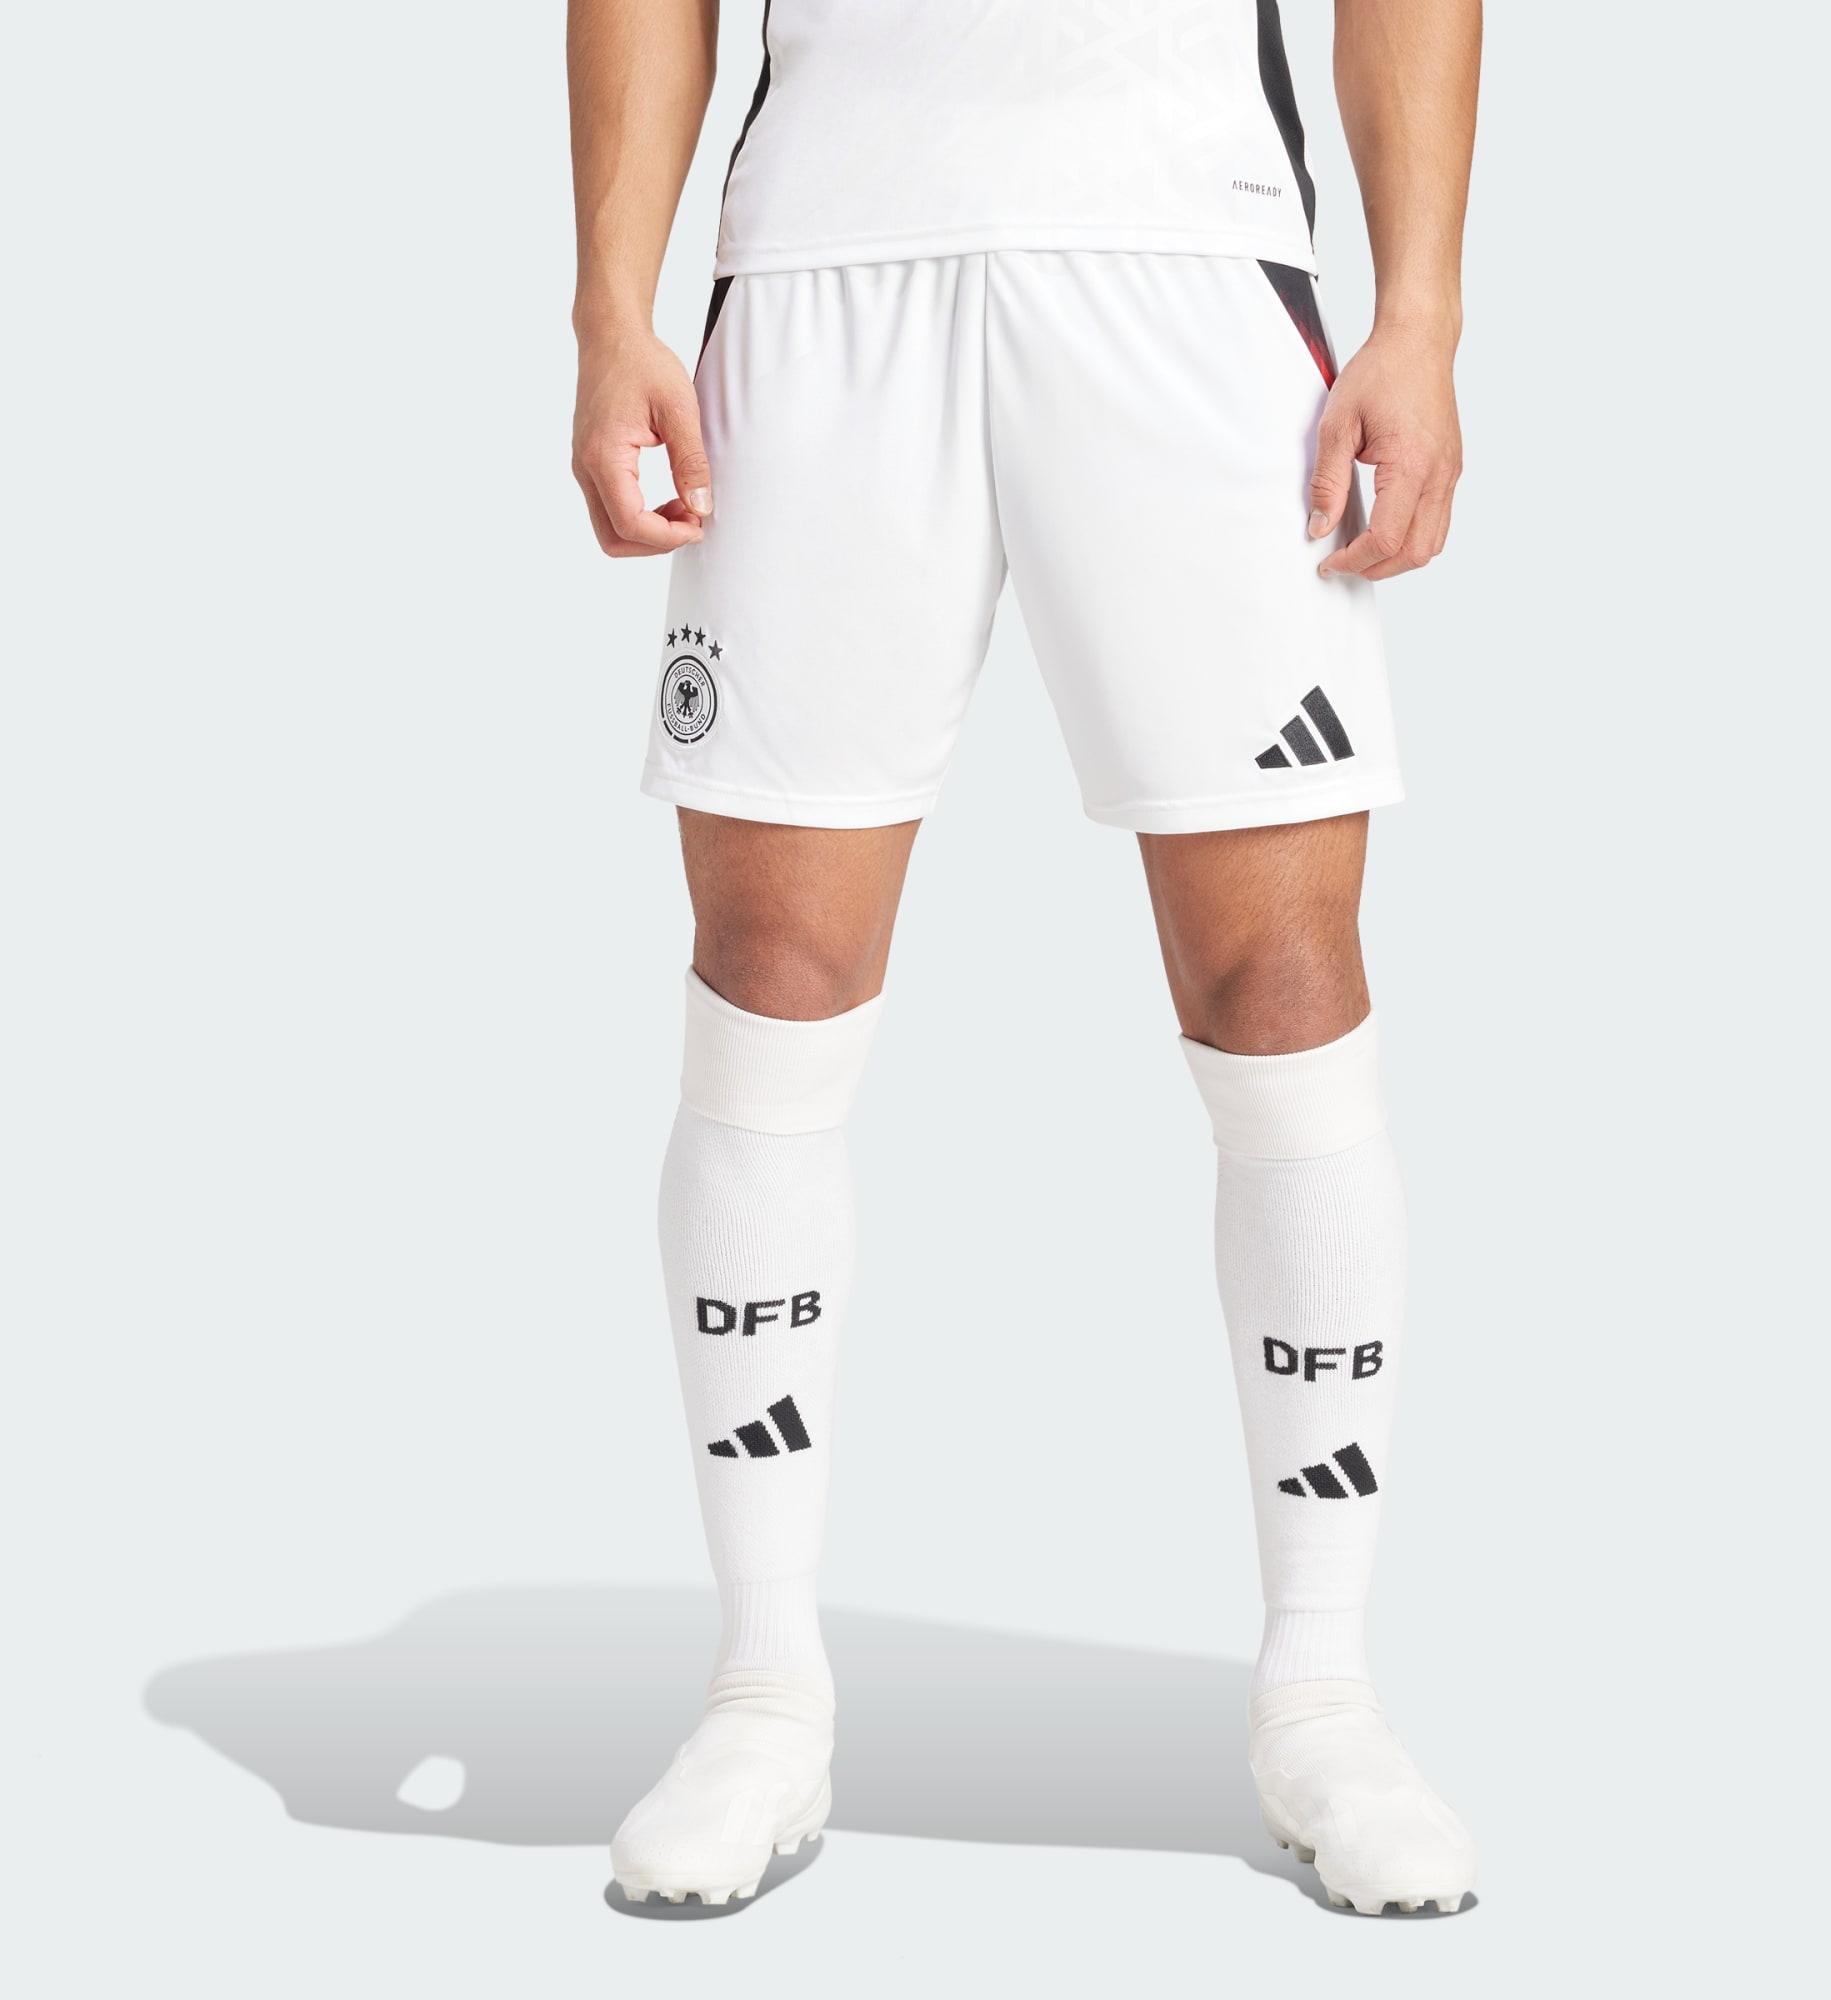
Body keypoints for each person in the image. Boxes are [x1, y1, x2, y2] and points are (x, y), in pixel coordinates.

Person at [568, 0, 1480, 1917]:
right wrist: (608, 304)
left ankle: (1322, 1690)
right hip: (823, 264)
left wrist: (1420, 315)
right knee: (771, 971)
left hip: (1184, 250)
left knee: (1277, 983)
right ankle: (762, 1688)